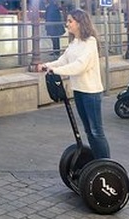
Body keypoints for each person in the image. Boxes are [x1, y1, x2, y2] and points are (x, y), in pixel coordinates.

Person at [37, 8, 110, 159]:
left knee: (96, 131)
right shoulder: (74, 42)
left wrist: (56, 71)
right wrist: (48, 65)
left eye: (70, 21)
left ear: (80, 23)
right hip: (78, 90)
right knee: (88, 130)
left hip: (91, 92)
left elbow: (80, 66)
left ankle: (106, 164)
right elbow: (63, 60)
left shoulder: (90, 42)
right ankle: (96, 162)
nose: (67, 24)